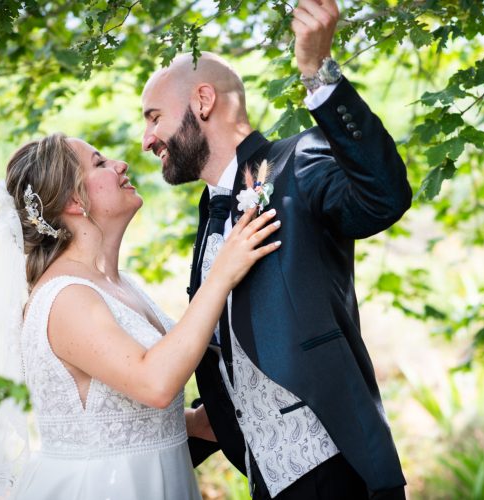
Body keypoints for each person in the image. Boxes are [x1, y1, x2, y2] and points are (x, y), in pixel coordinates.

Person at [0, 133, 281, 500]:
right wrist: (221, 275)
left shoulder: (119, 285)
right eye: (99, 163)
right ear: (74, 202)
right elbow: (155, 382)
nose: (121, 164)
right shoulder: (66, 298)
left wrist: (194, 423)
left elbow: (108, 418)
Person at [140, 0, 411, 498]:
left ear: (203, 101)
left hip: (335, 462)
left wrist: (318, 74)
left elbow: (383, 198)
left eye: (154, 117)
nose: (146, 139)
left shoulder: (298, 161)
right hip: (265, 477)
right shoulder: (210, 209)